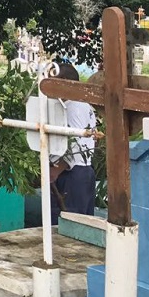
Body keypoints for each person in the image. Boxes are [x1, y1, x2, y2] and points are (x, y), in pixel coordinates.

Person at [49, 64, 97, 223]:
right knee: (80, 223)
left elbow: (76, 141)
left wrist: (57, 169)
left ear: (64, 82)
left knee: (68, 225)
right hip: (80, 172)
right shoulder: (80, 105)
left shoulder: (73, 107)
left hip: (72, 173)